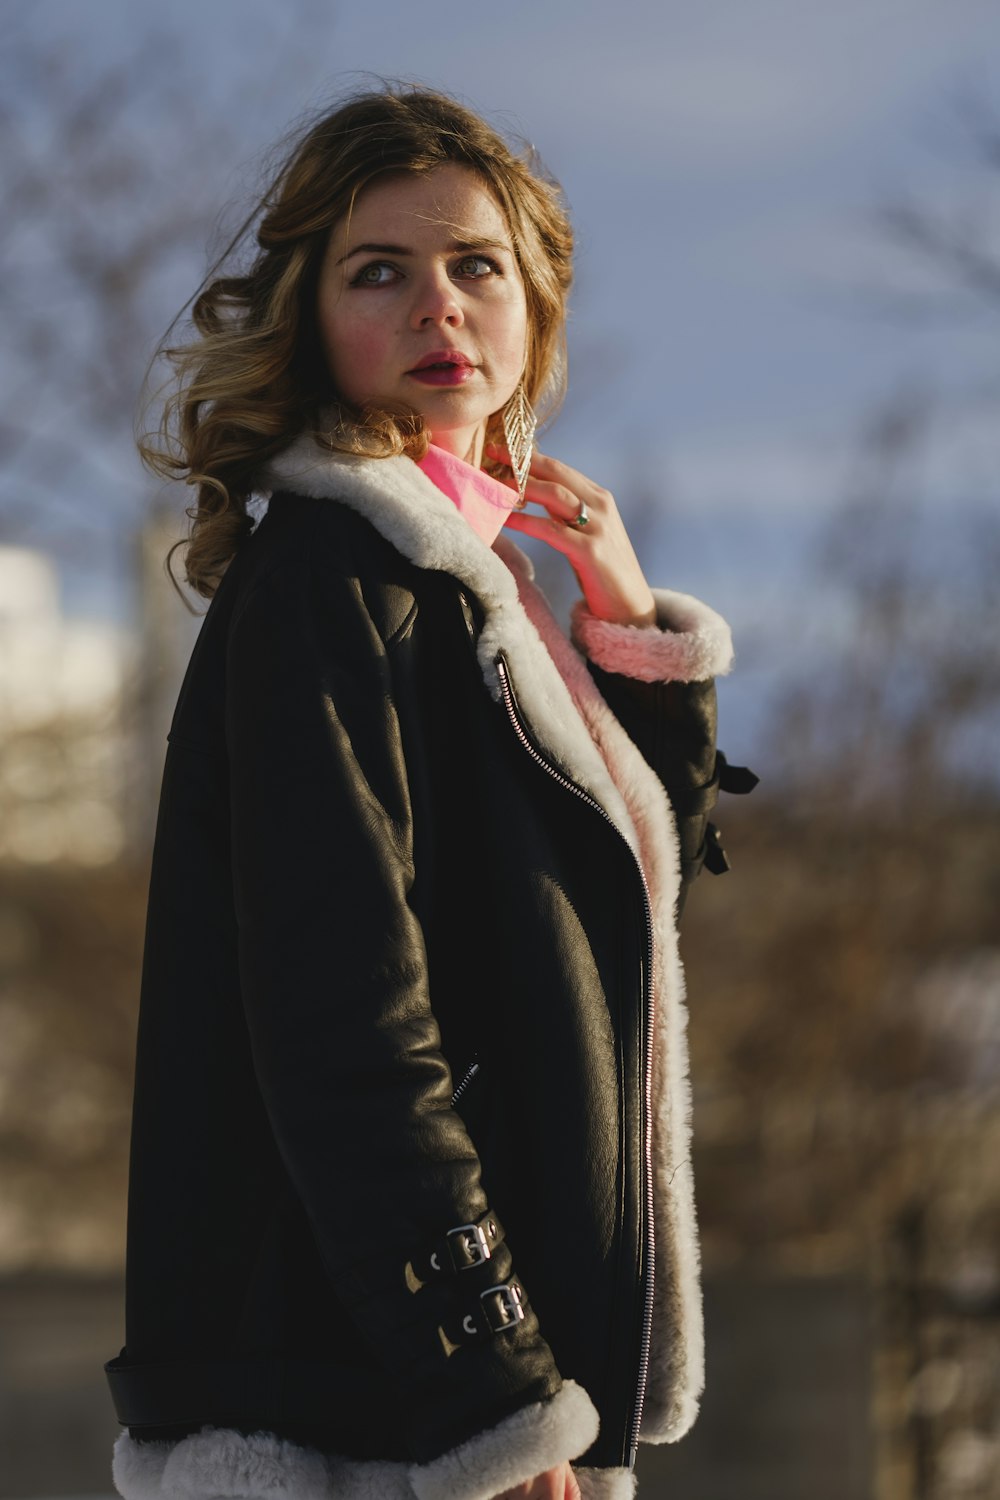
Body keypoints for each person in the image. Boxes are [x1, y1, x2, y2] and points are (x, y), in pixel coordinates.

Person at [104, 85, 755, 1500]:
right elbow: (347, 1030)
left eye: (478, 267)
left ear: (534, 315)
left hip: (452, 1403)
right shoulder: (332, 590)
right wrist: (495, 1397)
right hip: (369, 1415)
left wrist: (629, 624)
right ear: (311, 319)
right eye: (378, 271)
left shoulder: (475, 596)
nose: (439, 307)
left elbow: (619, 912)